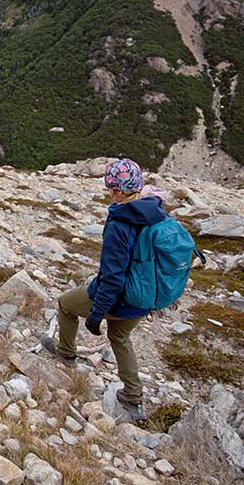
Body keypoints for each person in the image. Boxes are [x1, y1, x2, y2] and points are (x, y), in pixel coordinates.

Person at [41, 158, 167, 423]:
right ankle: (133, 399)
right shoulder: (156, 211)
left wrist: (96, 314)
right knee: (121, 337)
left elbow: (112, 279)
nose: (109, 190)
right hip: (144, 296)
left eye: (111, 186)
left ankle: (66, 354)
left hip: (120, 296)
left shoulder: (119, 224)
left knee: (65, 304)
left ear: (118, 191)